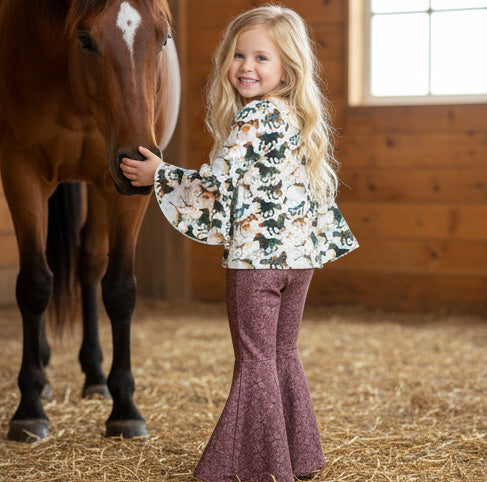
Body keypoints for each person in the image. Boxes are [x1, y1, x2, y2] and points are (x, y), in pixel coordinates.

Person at [120, 5, 358, 481]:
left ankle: (258, 468)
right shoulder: (297, 118)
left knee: (255, 360)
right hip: (300, 263)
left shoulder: (253, 120)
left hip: (256, 265)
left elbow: (218, 185)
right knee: (283, 354)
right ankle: (300, 456)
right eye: (239, 55)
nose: (246, 67)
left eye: (261, 58)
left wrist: (159, 174)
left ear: (288, 69)